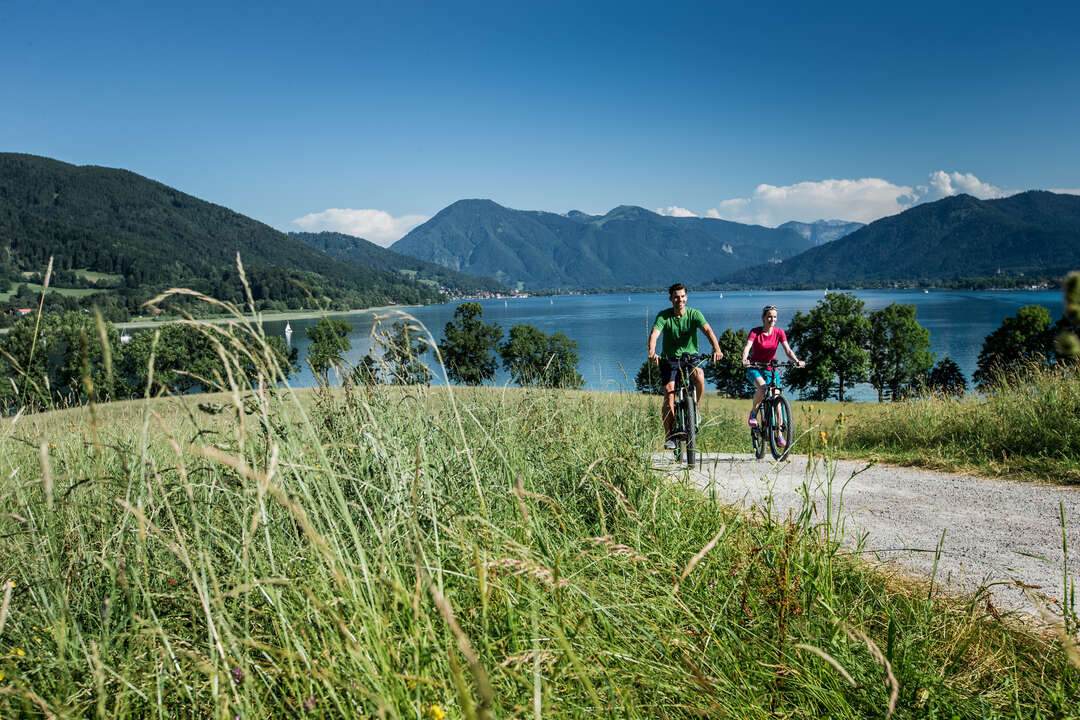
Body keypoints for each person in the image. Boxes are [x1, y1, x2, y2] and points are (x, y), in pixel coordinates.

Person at [647, 283, 723, 450]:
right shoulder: (664, 316)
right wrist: (652, 351)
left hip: (690, 358)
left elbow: (708, 331)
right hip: (669, 360)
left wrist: (716, 349)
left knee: (700, 375)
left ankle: (695, 407)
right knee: (669, 393)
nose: (679, 300)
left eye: (682, 296)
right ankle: (670, 436)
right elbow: (654, 334)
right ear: (671, 299)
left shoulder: (694, 314)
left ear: (686, 298)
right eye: (676, 297)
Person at [741, 305, 804, 444]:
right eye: (769, 316)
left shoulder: (779, 332)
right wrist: (745, 359)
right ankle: (753, 414)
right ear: (763, 318)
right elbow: (747, 347)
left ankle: (779, 433)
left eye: (774, 317)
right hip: (755, 367)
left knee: (777, 398)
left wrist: (797, 361)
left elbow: (788, 350)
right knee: (763, 388)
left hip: (770, 368)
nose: (772, 319)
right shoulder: (755, 332)